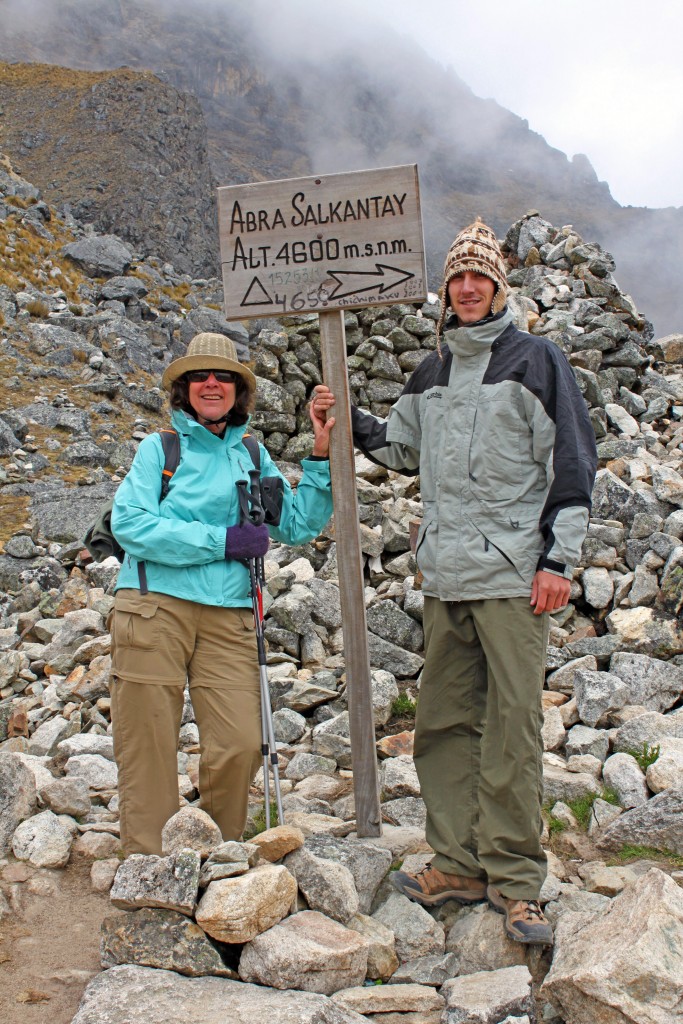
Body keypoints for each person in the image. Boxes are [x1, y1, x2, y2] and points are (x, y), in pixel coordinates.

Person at [312, 219, 597, 945]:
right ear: (446, 291)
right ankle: (458, 864)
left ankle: (516, 882)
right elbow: (399, 446)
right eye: (457, 278)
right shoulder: (431, 371)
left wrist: (557, 563)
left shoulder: (536, 361)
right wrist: (343, 417)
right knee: (441, 724)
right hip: (444, 578)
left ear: (499, 287)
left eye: (480, 277)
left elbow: (570, 461)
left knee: (512, 727)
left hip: (512, 577)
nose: (468, 288)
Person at [109, 332, 335, 856]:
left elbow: (297, 525)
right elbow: (131, 524)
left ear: (238, 390)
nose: (211, 384)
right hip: (153, 607)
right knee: (148, 744)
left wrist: (320, 454)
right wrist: (223, 541)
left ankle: (217, 856)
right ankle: (150, 867)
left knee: (239, 743)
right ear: (184, 388)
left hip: (230, 613)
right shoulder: (159, 450)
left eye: (223, 376)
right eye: (199, 376)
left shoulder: (252, 454)